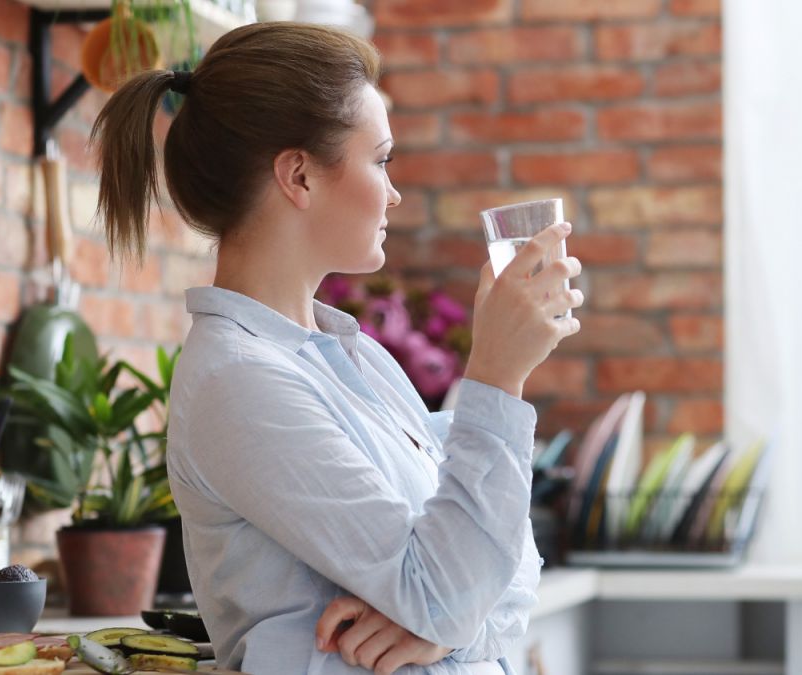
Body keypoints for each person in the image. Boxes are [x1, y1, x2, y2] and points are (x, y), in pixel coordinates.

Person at [91, 22, 584, 675]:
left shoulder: (363, 361)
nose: (395, 190)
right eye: (380, 159)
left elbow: (507, 562)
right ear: (298, 175)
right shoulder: (238, 381)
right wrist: (496, 376)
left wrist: (451, 629)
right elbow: (449, 586)